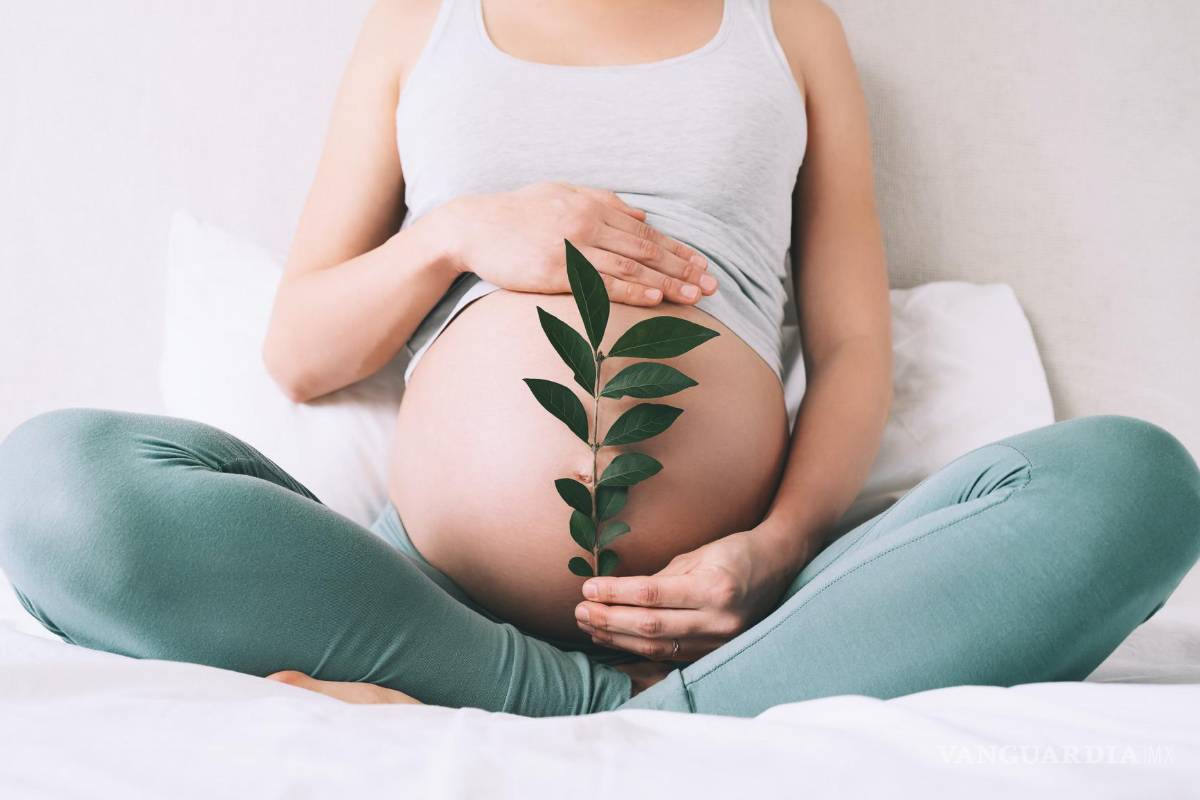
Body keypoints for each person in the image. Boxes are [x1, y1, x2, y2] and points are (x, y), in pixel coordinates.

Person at [1, 0, 1198, 718]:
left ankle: (594, 702)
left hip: (753, 610)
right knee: (52, 484)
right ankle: (625, 712)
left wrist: (773, 552)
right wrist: (461, 232)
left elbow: (847, 347)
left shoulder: (790, 29)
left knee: (1138, 482)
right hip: (427, 601)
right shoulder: (421, 24)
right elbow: (301, 351)